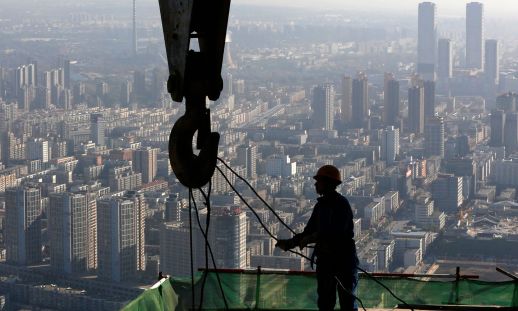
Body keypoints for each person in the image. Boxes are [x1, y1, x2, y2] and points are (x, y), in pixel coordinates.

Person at [276, 165, 359, 311]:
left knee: (347, 302)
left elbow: (336, 232)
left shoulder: (341, 204)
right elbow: (308, 231)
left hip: (342, 261)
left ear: (327, 183)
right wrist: (290, 243)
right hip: (327, 261)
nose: (315, 184)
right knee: (326, 303)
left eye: (319, 181)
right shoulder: (320, 207)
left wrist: (312, 237)